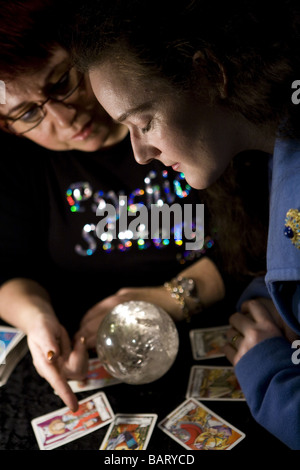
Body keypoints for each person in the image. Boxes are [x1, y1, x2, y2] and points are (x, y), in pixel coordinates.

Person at [65, 0, 300, 448]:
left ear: (209, 73)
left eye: (144, 121)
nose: (139, 153)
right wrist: (271, 305)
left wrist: (267, 370)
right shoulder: (270, 163)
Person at [0, 0, 234, 414]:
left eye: (62, 82)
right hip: (100, 360)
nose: (64, 117)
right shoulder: (20, 167)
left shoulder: (177, 114)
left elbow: (258, 240)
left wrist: (171, 298)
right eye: (26, 113)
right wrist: (36, 319)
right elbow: (9, 271)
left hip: (221, 339)